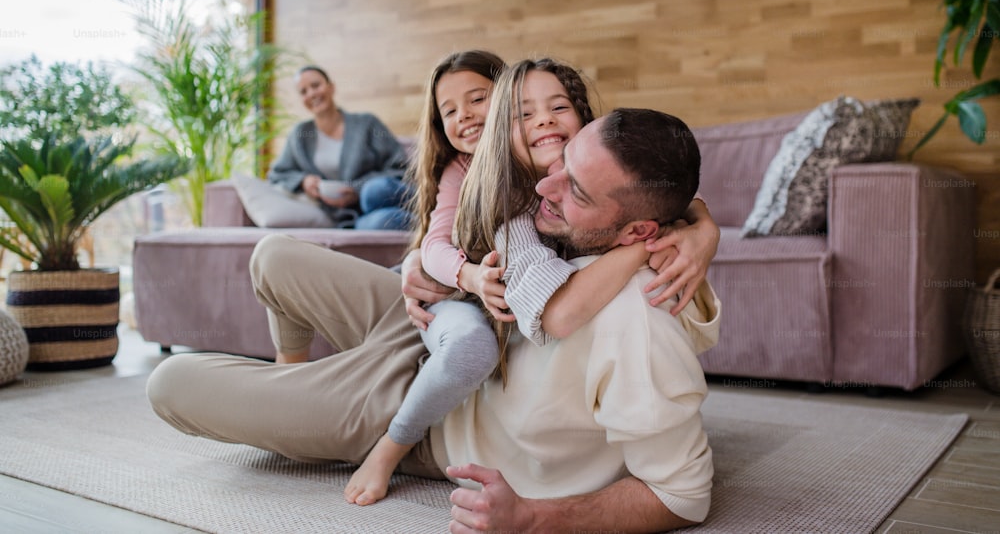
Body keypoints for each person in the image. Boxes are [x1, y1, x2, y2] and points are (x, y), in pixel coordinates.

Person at [146, 105, 720, 533]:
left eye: (575, 191)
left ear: (640, 231)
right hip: (447, 325)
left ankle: (320, 401)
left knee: (170, 383)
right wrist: (702, 224)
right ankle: (296, 379)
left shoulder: (643, 319)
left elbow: (681, 496)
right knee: (272, 254)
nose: (544, 184)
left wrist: (532, 519)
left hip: (429, 415)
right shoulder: (638, 229)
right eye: (562, 164)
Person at [343, 56, 720, 506]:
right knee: (463, 341)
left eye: (558, 107)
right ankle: (393, 443)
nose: (543, 119)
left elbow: (659, 192)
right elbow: (554, 311)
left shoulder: (608, 176)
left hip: (475, 334)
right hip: (452, 305)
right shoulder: (509, 202)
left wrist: (700, 223)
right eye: (523, 113)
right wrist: (645, 245)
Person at [267, 65, 411, 230]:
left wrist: (357, 189)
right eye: (303, 91)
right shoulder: (300, 135)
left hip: (380, 196)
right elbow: (277, 174)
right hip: (351, 218)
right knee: (385, 221)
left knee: (374, 191)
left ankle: (429, 207)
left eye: (315, 85)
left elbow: (400, 167)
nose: (311, 94)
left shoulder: (366, 123)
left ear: (331, 87)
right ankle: (431, 224)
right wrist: (303, 181)